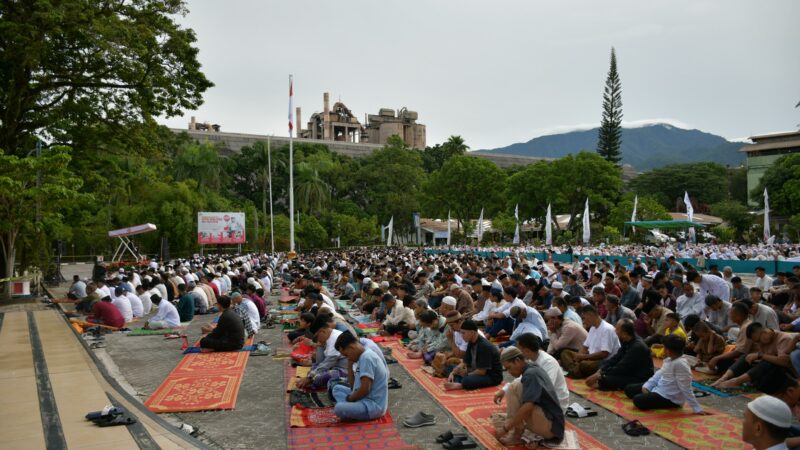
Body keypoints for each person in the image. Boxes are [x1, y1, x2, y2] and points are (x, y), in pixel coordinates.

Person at [495, 346, 565, 446]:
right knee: (513, 387)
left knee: (523, 402)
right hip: (551, 423)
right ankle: (517, 429)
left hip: (551, 430)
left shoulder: (531, 374)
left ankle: (517, 435)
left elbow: (528, 406)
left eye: (509, 368)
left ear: (517, 360)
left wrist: (506, 428)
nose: (509, 372)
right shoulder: (531, 368)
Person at [624, 334, 706, 414]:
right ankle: (650, 393)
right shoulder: (669, 359)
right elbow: (659, 374)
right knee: (629, 389)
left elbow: (686, 387)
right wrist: (647, 386)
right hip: (659, 388)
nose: (663, 349)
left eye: (664, 347)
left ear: (668, 350)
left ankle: (657, 398)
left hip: (670, 398)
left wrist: (696, 408)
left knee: (637, 400)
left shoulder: (681, 364)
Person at [713, 322, 800, 394]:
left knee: (767, 362)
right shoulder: (763, 341)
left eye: (758, 340)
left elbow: (785, 362)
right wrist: (755, 357)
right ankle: (724, 378)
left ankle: (735, 381)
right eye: (757, 341)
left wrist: (760, 355)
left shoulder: (784, 338)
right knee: (746, 357)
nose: (759, 343)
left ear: (764, 332)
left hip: (789, 372)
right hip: (772, 369)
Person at [495, 333, 569, 412]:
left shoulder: (548, 362)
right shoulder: (530, 359)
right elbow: (521, 379)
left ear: (526, 350)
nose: (518, 353)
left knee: (521, 391)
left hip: (556, 402)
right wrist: (504, 390)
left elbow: (546, 388)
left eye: (519, 349)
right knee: (514, 387)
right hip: (541, 397)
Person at [331, 331, 389, 421]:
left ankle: (349, 410)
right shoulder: (362, 356)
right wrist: (349, 366)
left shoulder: (367, 357)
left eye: (346, 354)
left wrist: (350, 398)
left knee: (339, 408)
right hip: (362, 399)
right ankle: (350, 410)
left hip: (372, 405)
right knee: (337, 388)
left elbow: (365, 389)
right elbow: (354, 387)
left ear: (351, 347)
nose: (348, 358)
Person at [586, 319, 654, 390]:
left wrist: (600, 375)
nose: (615, 331)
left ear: (624, 334)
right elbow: (616, 358)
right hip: (629, 371)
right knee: (601, 365)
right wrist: (601, 370)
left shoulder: (637, 347)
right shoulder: (627, 340)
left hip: (639, 377)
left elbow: (622, 367)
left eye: (617, 329)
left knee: (606, 379)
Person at [560, 305, 620, 379]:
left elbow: (604, 354)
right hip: (589, 358)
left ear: (590, 315)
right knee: (565, 353)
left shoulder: (607, 329)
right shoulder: (592, 328)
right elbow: (585, 346)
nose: (584, 321)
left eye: (584, 318)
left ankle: (574, 370)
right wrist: (579, 356)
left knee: (584, 364)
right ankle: (575, 370)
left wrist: (584, 357)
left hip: (603, 361)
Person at [444, 319, 503, 390]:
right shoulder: (471, 341)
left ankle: (460, 384)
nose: (462, 336)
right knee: (450, 367)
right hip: (475, 370)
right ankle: (460, 381)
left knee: (467, 380)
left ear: (472, 332)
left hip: (491, 376)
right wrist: (454, 372)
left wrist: (466, 374)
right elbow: (465, 362)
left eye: (463, 333)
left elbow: (482, 372)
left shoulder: (484, 346)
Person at [296, 316, 348, 390]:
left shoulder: (334, 338)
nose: (319, 342)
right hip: (332, 366)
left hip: (344, 370)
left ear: (323, 332)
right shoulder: (328, 337)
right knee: (313, 371)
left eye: (319, 339)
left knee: (317, 378)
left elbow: (327, 363)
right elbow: (320, 362)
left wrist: (310, 378)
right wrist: (310, 375)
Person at [708, 301, 753, 374]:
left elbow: (740, 352)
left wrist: (717, 358)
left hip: (749, 359)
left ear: (738, 316)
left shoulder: (746, 327)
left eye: (731, 313)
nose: (729, 315)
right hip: (745, 355)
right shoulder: (746, 324)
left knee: (720, 361)